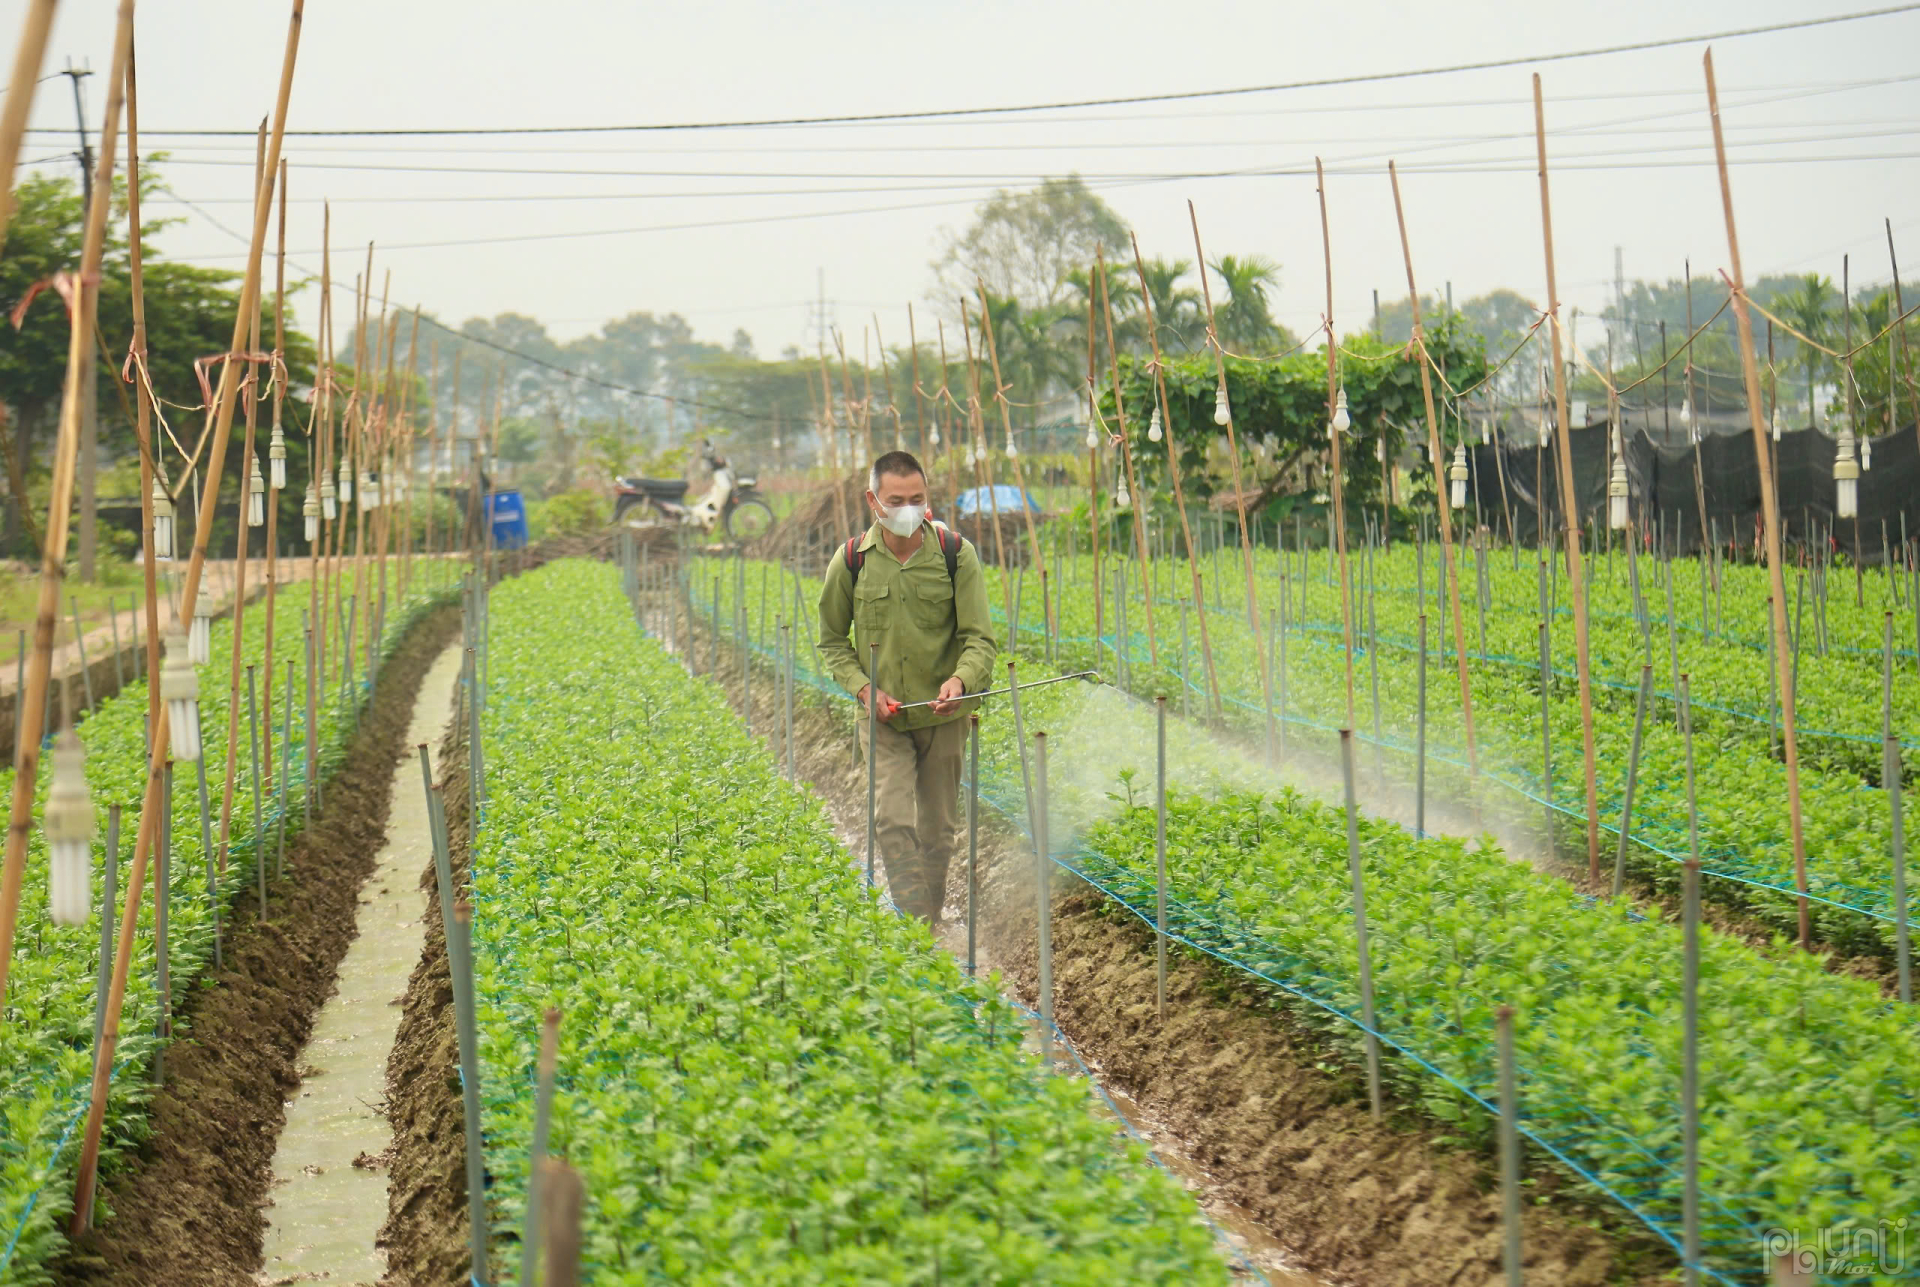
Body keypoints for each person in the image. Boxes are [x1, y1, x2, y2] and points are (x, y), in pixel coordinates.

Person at [817, 451, 996, 926]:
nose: (908, 509)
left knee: (937, 833)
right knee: (893, 823)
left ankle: (928, 921)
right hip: (884, 718)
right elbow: (832, 642)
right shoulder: (851, 560)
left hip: (944, 716)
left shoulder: (957, 554)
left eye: (917, 499)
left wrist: (960, 681)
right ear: (873, 500)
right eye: (896, 500)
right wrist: (863, 690)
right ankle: (916, 927)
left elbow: (979, 639)